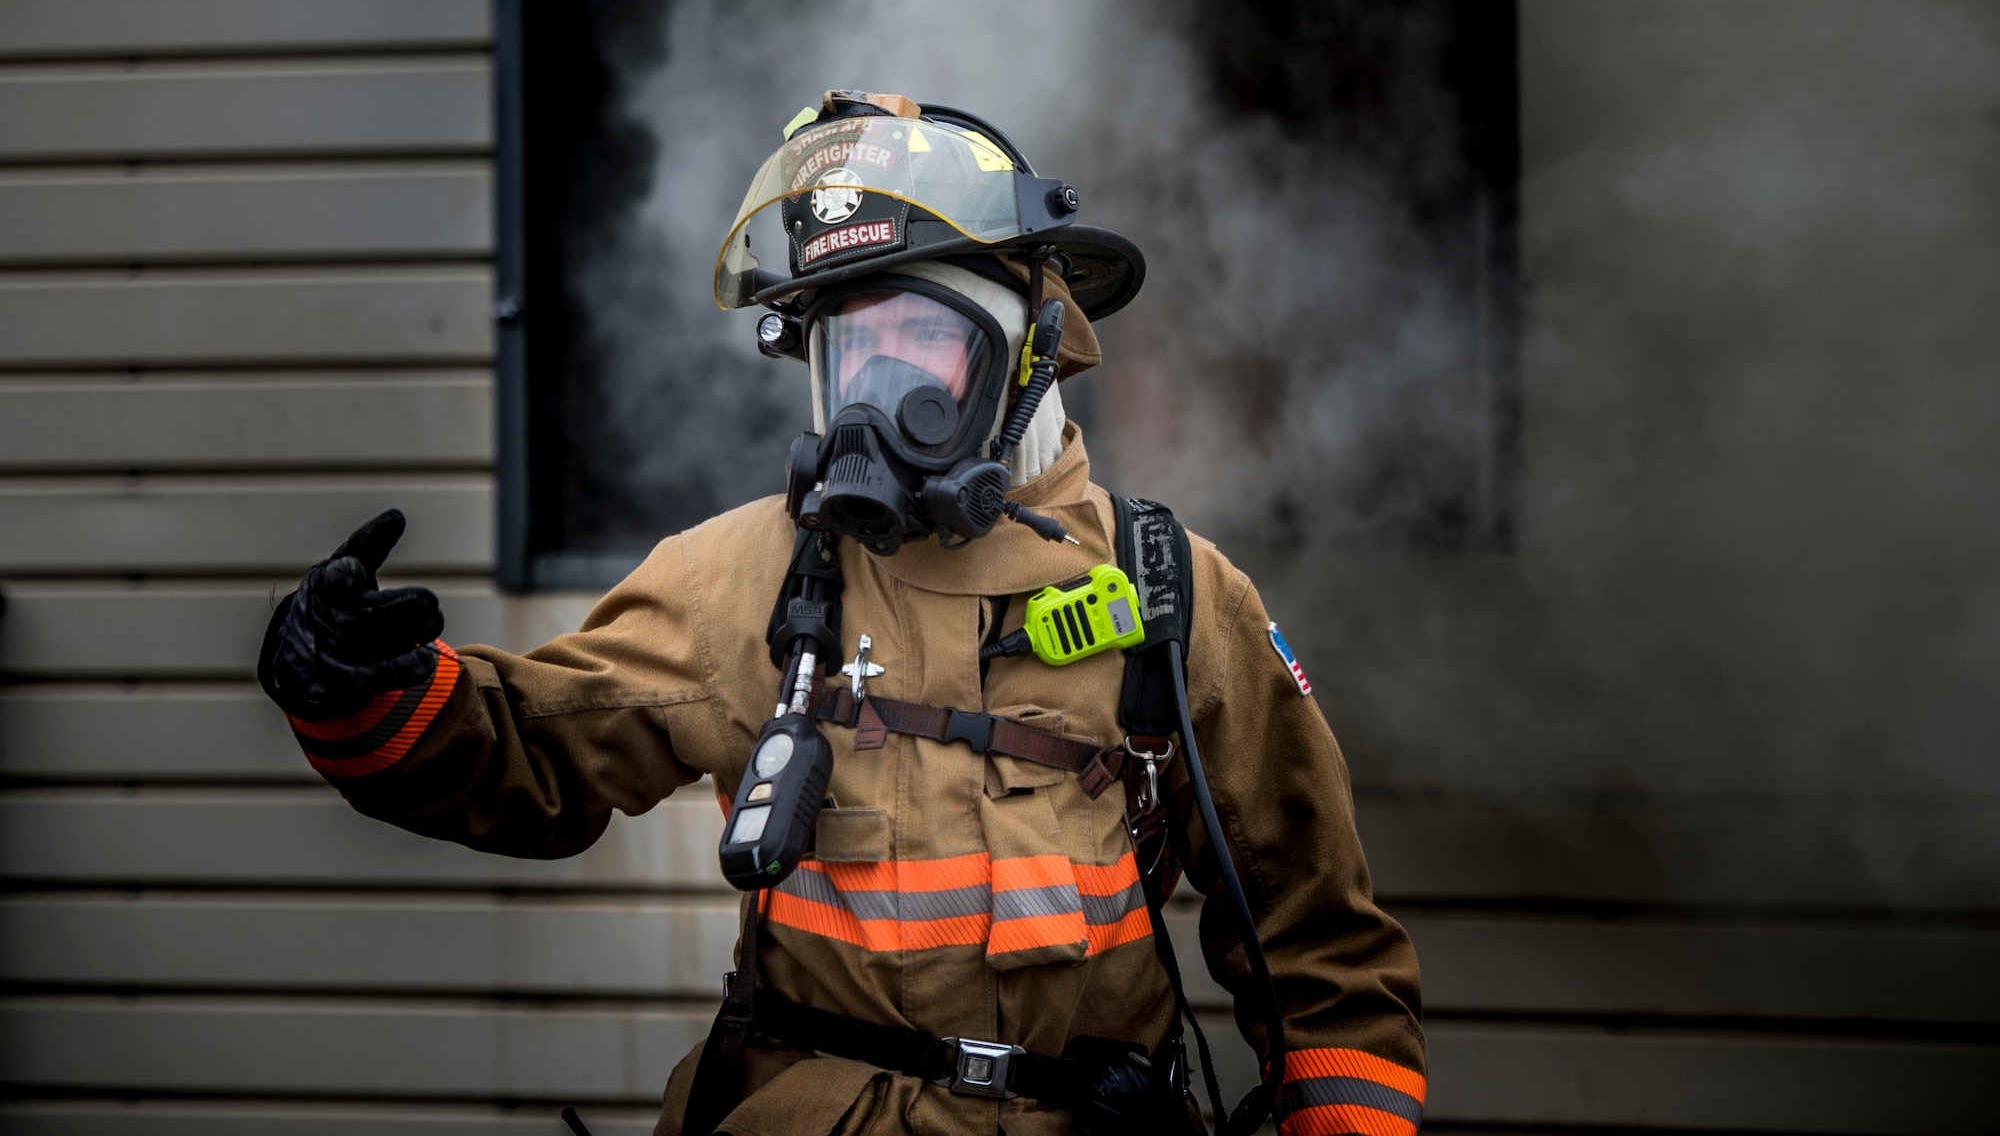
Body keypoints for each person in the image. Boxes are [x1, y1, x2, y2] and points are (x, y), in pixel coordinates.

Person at [259, 90, 1426, 1136]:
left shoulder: (1170, 592)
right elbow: (530, 754)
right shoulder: (742, 575)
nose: (880, 390)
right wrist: (371, 695)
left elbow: (1311, 931)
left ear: (1025, 351)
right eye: (852, 347)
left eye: (923, 338)